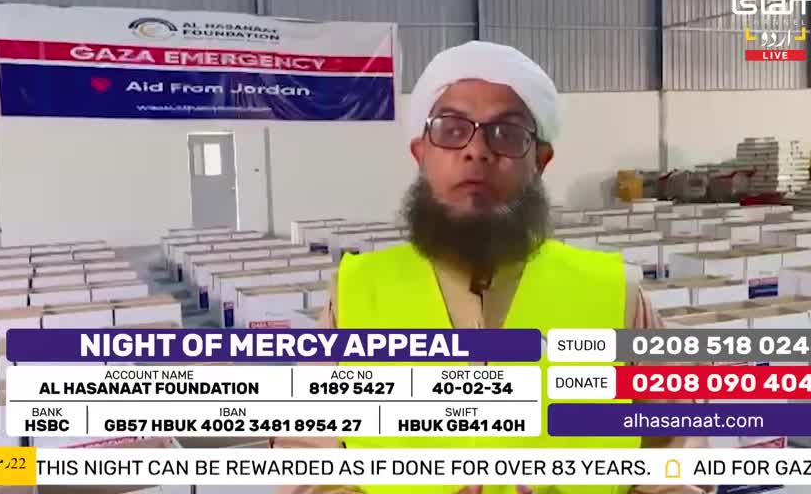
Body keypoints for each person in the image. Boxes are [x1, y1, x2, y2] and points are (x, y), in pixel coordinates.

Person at [272, 41, 714, 494]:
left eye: (506, 133)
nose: (477, 151)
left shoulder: (615, 296)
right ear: (420, 153)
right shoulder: (357, 294)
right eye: (451, 129)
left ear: (540, 162)